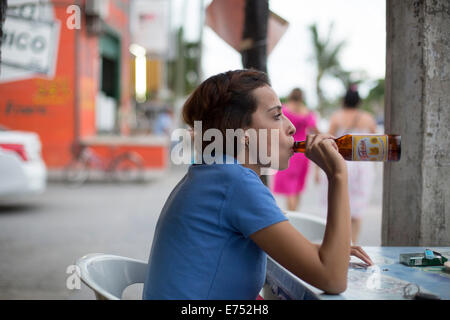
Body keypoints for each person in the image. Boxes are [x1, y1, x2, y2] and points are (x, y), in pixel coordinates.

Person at [142, 70, 373, 300]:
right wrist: (338, 175)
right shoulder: (235, 182)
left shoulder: (215, 172)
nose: (291, 127)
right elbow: (332, 278)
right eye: (276, 116)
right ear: (243, 134)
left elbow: (302, 256)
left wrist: (328, 251)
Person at [327, 84, 378, 245]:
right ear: (358, 101)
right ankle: (353, 243)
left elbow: (328, 141)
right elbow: (375, 144)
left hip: (342, 161)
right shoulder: (368, 118)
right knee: (358, 206)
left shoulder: (337, 117)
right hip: (363, 164)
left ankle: (342, 243)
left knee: (341, 203)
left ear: (344, 100)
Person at [272, 88, 319, 211]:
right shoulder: (307, 112)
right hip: (303, 153)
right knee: (297, 188)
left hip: (288, 151)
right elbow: (316, 132)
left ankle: (293, 217)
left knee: (290, 190)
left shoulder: (284, 110)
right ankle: (296, 213)